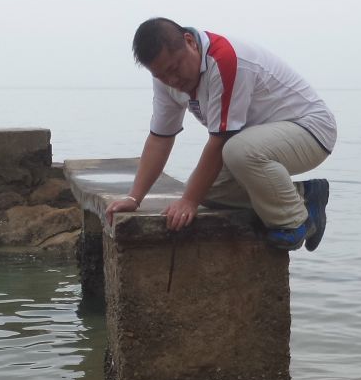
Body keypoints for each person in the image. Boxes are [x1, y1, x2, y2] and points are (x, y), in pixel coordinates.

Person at [104, 18, 336, 251]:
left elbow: (220, 141)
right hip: (257, 141)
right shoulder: (166, 79)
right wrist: (134, 199)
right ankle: (306, 196)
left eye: (174, 69)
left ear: (190, 42)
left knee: (236, 152)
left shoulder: (225, 59)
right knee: (209, 191)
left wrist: (189, 201)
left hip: (310, 130)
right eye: (161, 75)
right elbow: (160, 139)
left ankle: (292, 221)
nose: (172, 80)